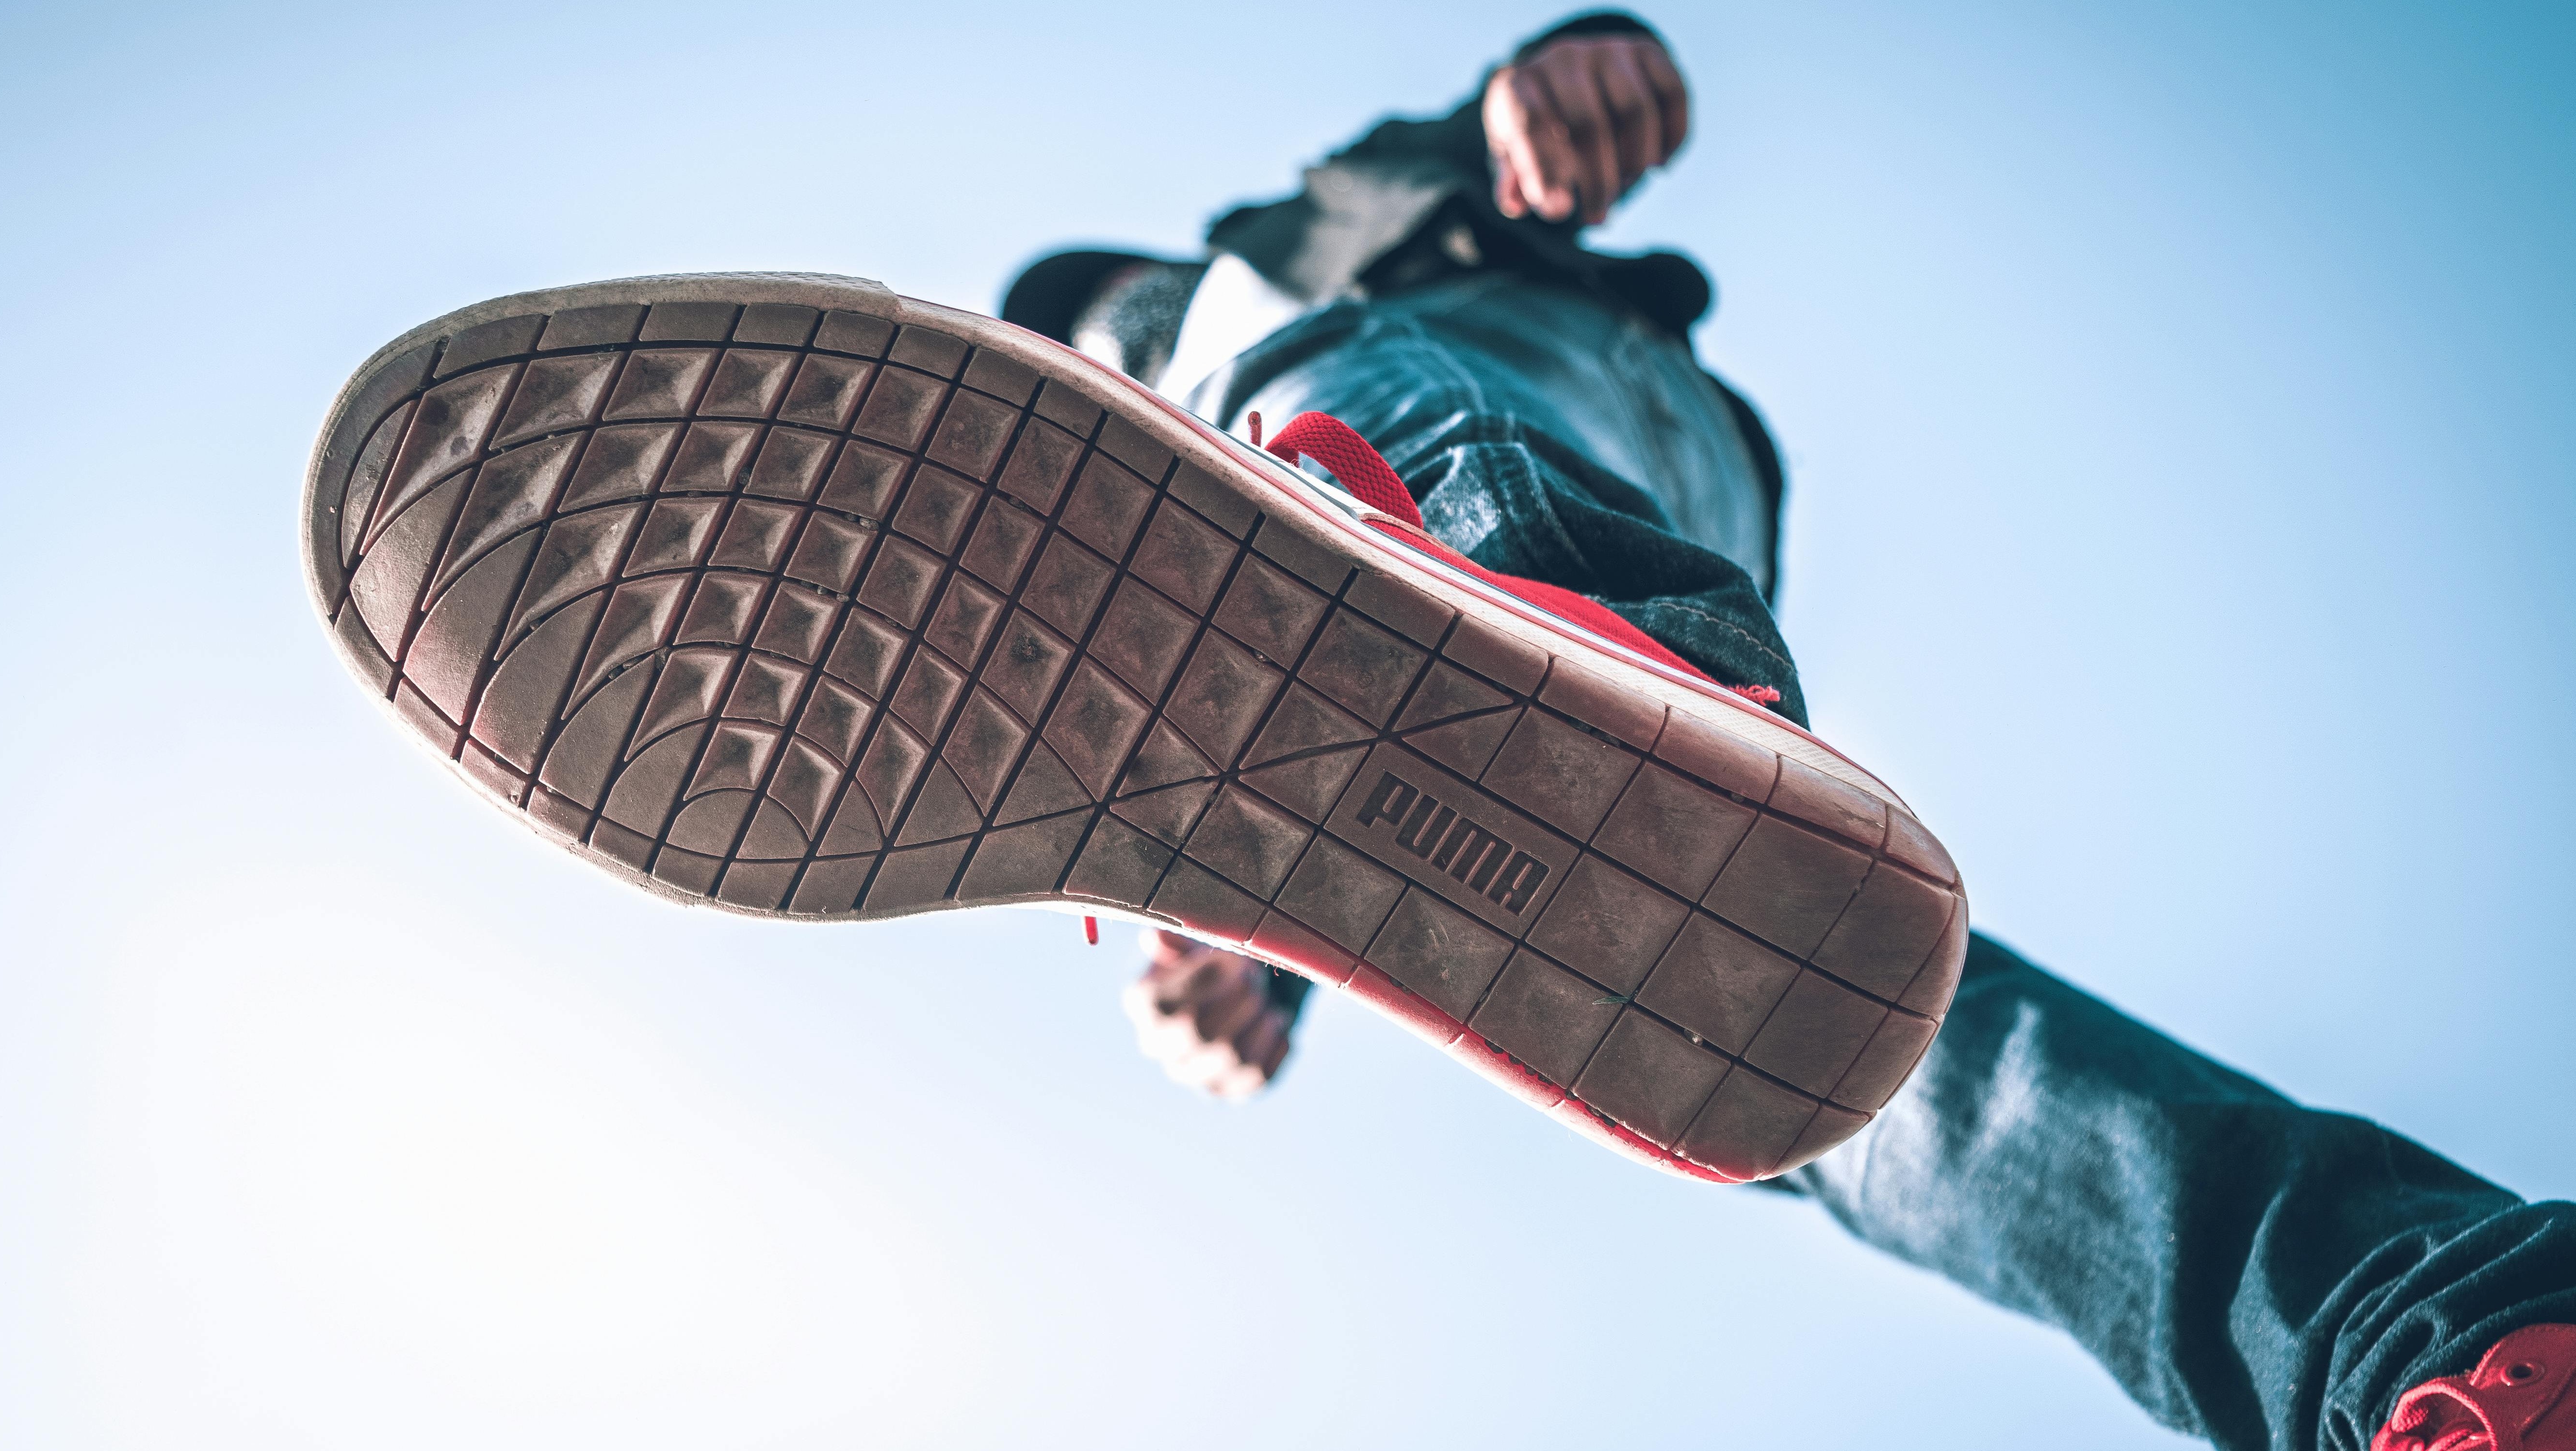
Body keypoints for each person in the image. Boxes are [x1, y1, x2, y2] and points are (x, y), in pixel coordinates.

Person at [1002, 14, 2576, 1451]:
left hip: (1494, 385)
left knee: (1252, 387)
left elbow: (1458, 148)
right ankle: (2447, 1330)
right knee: (1800, 1039)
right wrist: (1245, 956)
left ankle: (1616, 686)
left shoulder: (1240, 275)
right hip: (1667, 501)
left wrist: (1561, 76)